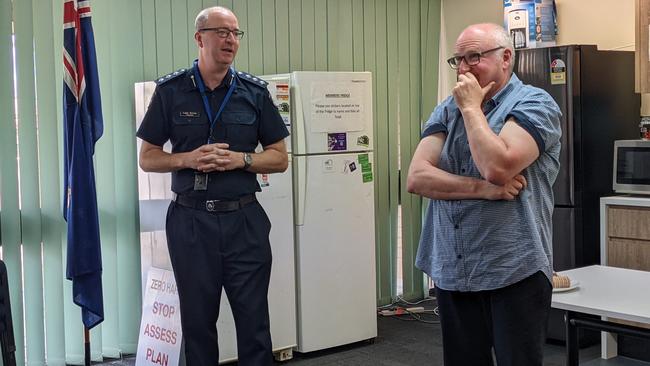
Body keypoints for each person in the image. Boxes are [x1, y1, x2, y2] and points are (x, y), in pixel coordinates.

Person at [136, 6, 289, 365]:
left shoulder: (254, 92)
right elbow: (148, 157)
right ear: (199, 38)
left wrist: (242, 160)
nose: (230, 40)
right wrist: (186, 159)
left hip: (245, 221)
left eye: (235, 33)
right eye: (221, 32)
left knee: (254, 323)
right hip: (191, 222)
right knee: (198, 323)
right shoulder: (171, 91)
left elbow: (280, 158)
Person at [406, 23, 561, 366]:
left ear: (506, 57)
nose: (463, 68)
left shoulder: (536, 103)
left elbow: (498, 166)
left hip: (513, 267)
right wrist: (483, 190)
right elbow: (417, 178)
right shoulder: (448, 109)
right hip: (453, 266)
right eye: (458, 59)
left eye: (474, 57)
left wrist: (473, 110)